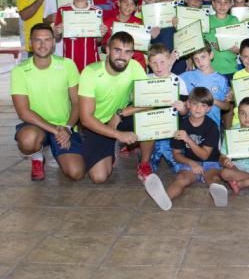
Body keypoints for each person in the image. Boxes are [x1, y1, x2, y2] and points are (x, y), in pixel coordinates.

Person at [11, 23, 85, 181]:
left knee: (76, 173)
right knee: (28, 140)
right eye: (38, 40)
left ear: (53, 42)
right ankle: (37, 157)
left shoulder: (67, 65)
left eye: (47, 40)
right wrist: (55, 130)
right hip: (36, 126)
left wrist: (67, 128)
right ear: (30, 43)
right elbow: (23, 112)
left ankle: (58, 150)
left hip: (64, 126)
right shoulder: (20, 71)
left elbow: (77, 103)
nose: (42, 45)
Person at [78, 31, 147, 184]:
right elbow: (86, 119)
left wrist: (121, 113)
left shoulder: (135, 66)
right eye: (117, 50)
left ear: (133, 54)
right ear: (108, 50)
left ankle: (145, 164)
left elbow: (149, 100)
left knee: (150, 118)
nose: (122, 56)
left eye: (127, 52)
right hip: (97, 124)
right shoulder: (90, 72)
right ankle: (107, 147)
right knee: (99, 177)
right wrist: (118, 135)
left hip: (120, 117)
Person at [160, 87, 228, 209]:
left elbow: (205, 155)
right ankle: (164, 199)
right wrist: (192, 164)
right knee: (182, 179)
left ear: (209, 109)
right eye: (195, 104)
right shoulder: (180, 125)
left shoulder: (212, 126)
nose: (198, 108)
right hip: (190, 162)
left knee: (213, 179)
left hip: (210, 162)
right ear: (188, 105)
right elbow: (176, 154)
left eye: (203, 105)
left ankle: (219, 196)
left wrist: (187, 139)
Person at [146, 43, 189, 175]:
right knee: (149, 164)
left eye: (162, 62)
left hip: (173, 129)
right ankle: (146, 160)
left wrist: (182, 109)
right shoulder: (145, 80)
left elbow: (185, 112)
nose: (159, 67)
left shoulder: (178, 81)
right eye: (154, 63)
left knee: (179, 169)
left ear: (169, 61)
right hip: (152, 128)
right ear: (149, 63)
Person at [53, 0, 107, 72]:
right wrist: (56, 32)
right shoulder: (62, 10)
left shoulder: (97, 11)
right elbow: (57, 39)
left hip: (92, 64)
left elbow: (98, 41)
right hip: (70, 63)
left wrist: (101, 34)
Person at [180, 42, 232, 129]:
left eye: (203, 57)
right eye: (196, 59)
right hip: (190, 128)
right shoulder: (186, 76)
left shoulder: (221, 79)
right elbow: (168, 82)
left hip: (213, 128)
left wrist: (212, 101)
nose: (200, 62)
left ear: (211, 55)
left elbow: (227, 106)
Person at [151, 0, 187, 75]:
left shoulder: (181, 9)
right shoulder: (151, 10)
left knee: (178, 87)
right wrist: (151, 36)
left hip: (178, 59)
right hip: (158, 59)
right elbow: (146, 37)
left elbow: (187, 36)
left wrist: (178, 28)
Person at [101, 0, 147, 70]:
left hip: (137, 63)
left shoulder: (140, 23)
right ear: (118, 3)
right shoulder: (107, 23)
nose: (128, 6)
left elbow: (145, 47)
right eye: (125, 2)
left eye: (132, 4)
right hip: (116, 64)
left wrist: (141, 35)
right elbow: (103, 47)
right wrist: (110, 41)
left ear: (136, 8)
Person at [204, 0, 240, 82]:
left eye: (226, 2)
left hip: (230, 68)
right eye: (219, 2)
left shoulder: (234, 20)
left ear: (231, 4)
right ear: (213, 3)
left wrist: (238, 49)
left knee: (229, 96)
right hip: (209, 69)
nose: (222, 5)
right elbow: (201, 43)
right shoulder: (206, 20)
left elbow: (239, 43)